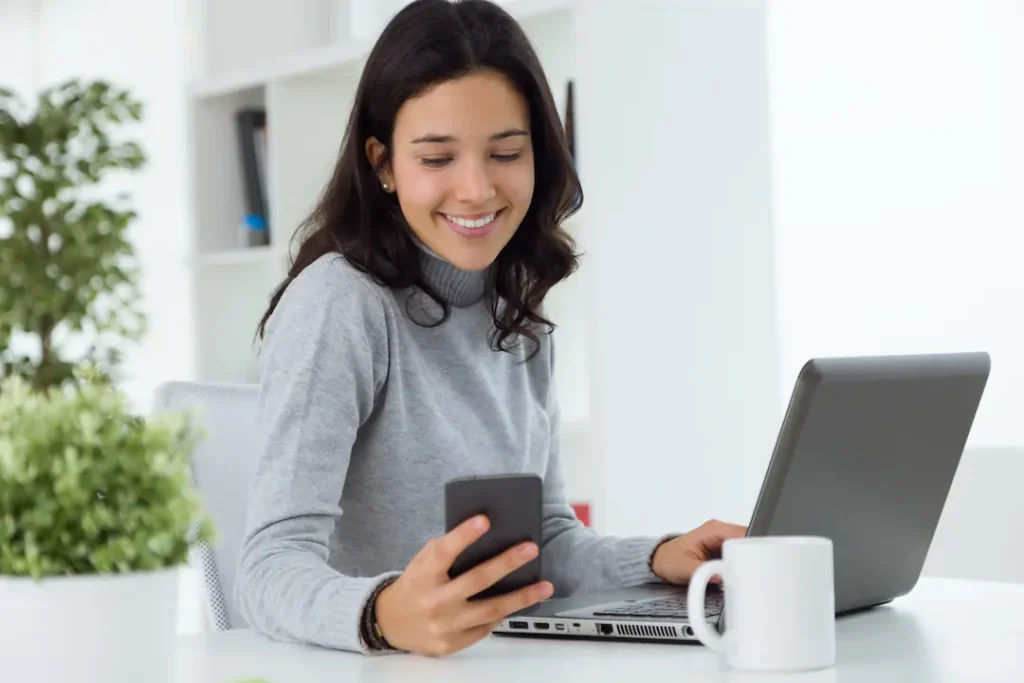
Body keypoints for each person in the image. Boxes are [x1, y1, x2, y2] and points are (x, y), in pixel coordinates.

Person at [236, 0, 746, 658]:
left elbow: (547, 543)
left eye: (505, 151)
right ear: (383, 162)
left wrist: (660, 557)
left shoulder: (518, 309)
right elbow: (268, 568)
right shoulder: (341, 304)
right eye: (437, 158)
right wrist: (383, 613)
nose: (476, 189)